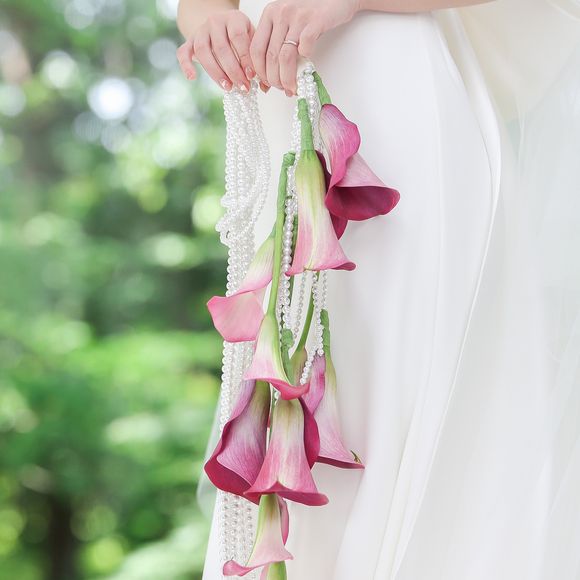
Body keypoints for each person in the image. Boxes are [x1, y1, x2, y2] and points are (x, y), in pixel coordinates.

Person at [176, 1, 580, 578]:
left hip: (404, 104)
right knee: (305, 383)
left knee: (409, 376)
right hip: (283, 116)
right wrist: (209, 27)